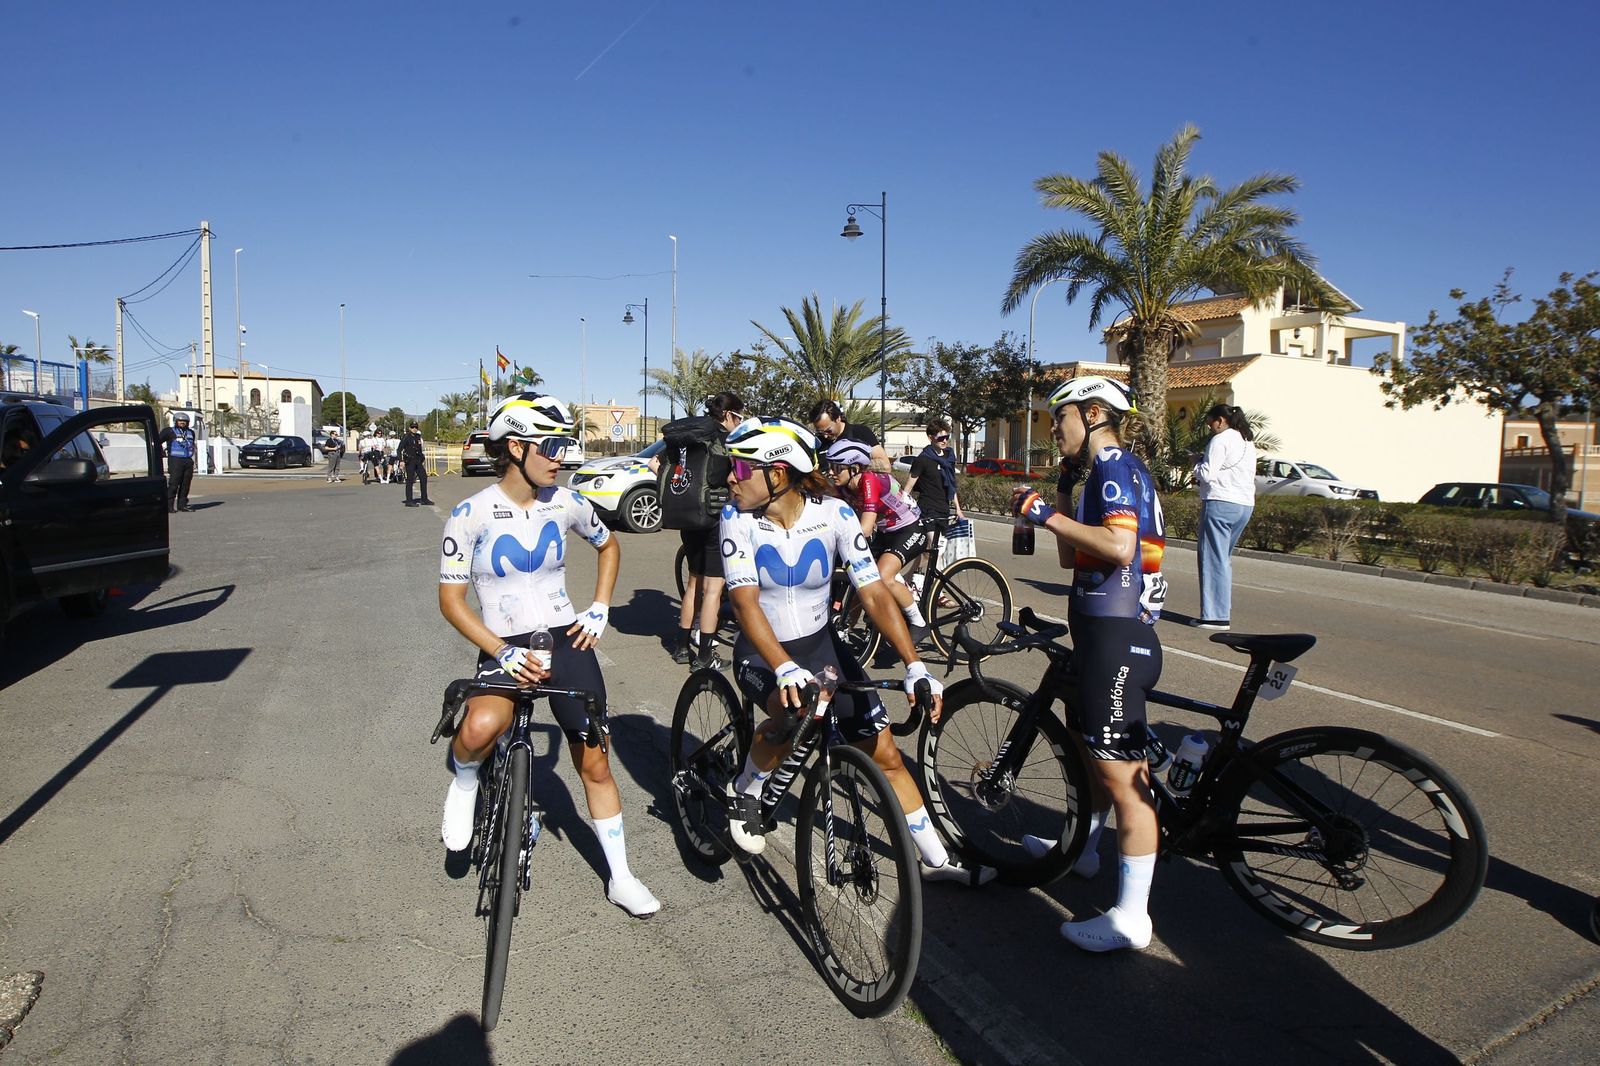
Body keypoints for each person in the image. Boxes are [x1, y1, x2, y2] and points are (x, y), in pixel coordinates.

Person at [718, 416, 993, 886]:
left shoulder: (835, 516)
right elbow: (744, 604)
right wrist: (783, 666)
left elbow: (873, 593)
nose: (730, 478)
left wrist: (915, 665)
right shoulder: (736, 519)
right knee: (791, 717)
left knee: (885, 751)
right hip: (762, 651)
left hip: (820, 645)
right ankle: (744, 789)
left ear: (777, 474)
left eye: (740, 468)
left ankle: (936, 858)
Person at [438, 392, 660, 918]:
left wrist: (600, 607)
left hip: (564, 636)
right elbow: (451, 602)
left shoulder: (566, 503)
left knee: (596, 762)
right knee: (476, 730)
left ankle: (621, 876)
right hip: (504, 643)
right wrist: (499, 653)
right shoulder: (469, 514)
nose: (563, 456)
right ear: (515, 447)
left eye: (567, 444)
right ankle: (465, 780)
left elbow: (609, 545)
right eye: (553, 445)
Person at [1011, 376, 1167, 952]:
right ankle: (1083, 850)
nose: (1053, 429)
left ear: (1094, 412)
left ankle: (1132, 917)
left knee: (1125, 778)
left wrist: (1048, 515)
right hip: (1100, 631)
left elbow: (1122, 549)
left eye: (1060, 418)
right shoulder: (1100, 473)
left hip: (1116, 635)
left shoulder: (1117, 465)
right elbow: (1073, 554)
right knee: (1085, 749)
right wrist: (1054, 504)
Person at [654, 391, 744, 669]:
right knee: (714, 590)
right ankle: (705, 656)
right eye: (739, 417)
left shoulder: (690, 434)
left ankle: (681, 648)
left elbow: (654, 463)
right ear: (729, 415)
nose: (740, 422)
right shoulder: (725, 439)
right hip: (715, 518)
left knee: (694, 583)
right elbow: (736, 476)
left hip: (687, 515)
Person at [825, 437, 929, 645]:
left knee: (883, 575)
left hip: (910, 528)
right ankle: (844, 633)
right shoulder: (843, 486)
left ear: (855, 468)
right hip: (886, 531)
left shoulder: (869, 480)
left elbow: (864, 527)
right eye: (829, 466)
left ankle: (919, 623)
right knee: (862, 580)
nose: (830, 472)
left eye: (836, 467)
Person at [1193, 404, 1256, 631]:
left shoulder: (1220, 440)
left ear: (1220, 420)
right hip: (1244, 505)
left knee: (1211, 559)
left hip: (1220, 502)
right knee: (1223, 560)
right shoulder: (1247, 440)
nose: (1211, 428)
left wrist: (1196, 465)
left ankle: (1214, 617)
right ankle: (1220, 611)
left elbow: (1207, 474)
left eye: (1211, 423)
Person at [808, 399, 892, 475]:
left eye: (828, 431)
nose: (825, 436)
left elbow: (886, 465)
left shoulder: (860, 433)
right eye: (820, 432)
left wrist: (852, 466)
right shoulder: (817, 442)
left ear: (838, 418)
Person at [159, 413, 198, 512]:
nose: (182, 422)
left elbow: (192, 445)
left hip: (188, 460)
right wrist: (161, 451)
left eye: (184, 421)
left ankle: (182, 505)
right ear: (175, 421)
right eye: (180, 421)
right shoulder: (169, 431)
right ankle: (169, 506)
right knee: (173, 484)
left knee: (185, 484)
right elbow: (157, 441)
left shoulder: (191, 432)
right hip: (175, 460)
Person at [400, 422, 432, 507]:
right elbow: (399, 450)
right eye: (413, 427)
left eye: (416, 427)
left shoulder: (418, 437)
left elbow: (419, 449)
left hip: (418, 461)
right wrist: (401, 460)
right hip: (410, 461)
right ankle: (409, 501)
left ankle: (424, 499)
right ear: (410, 428)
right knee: (410, 480)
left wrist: (422, 458)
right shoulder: (406, 437)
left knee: (423, 477)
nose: (414, 428)